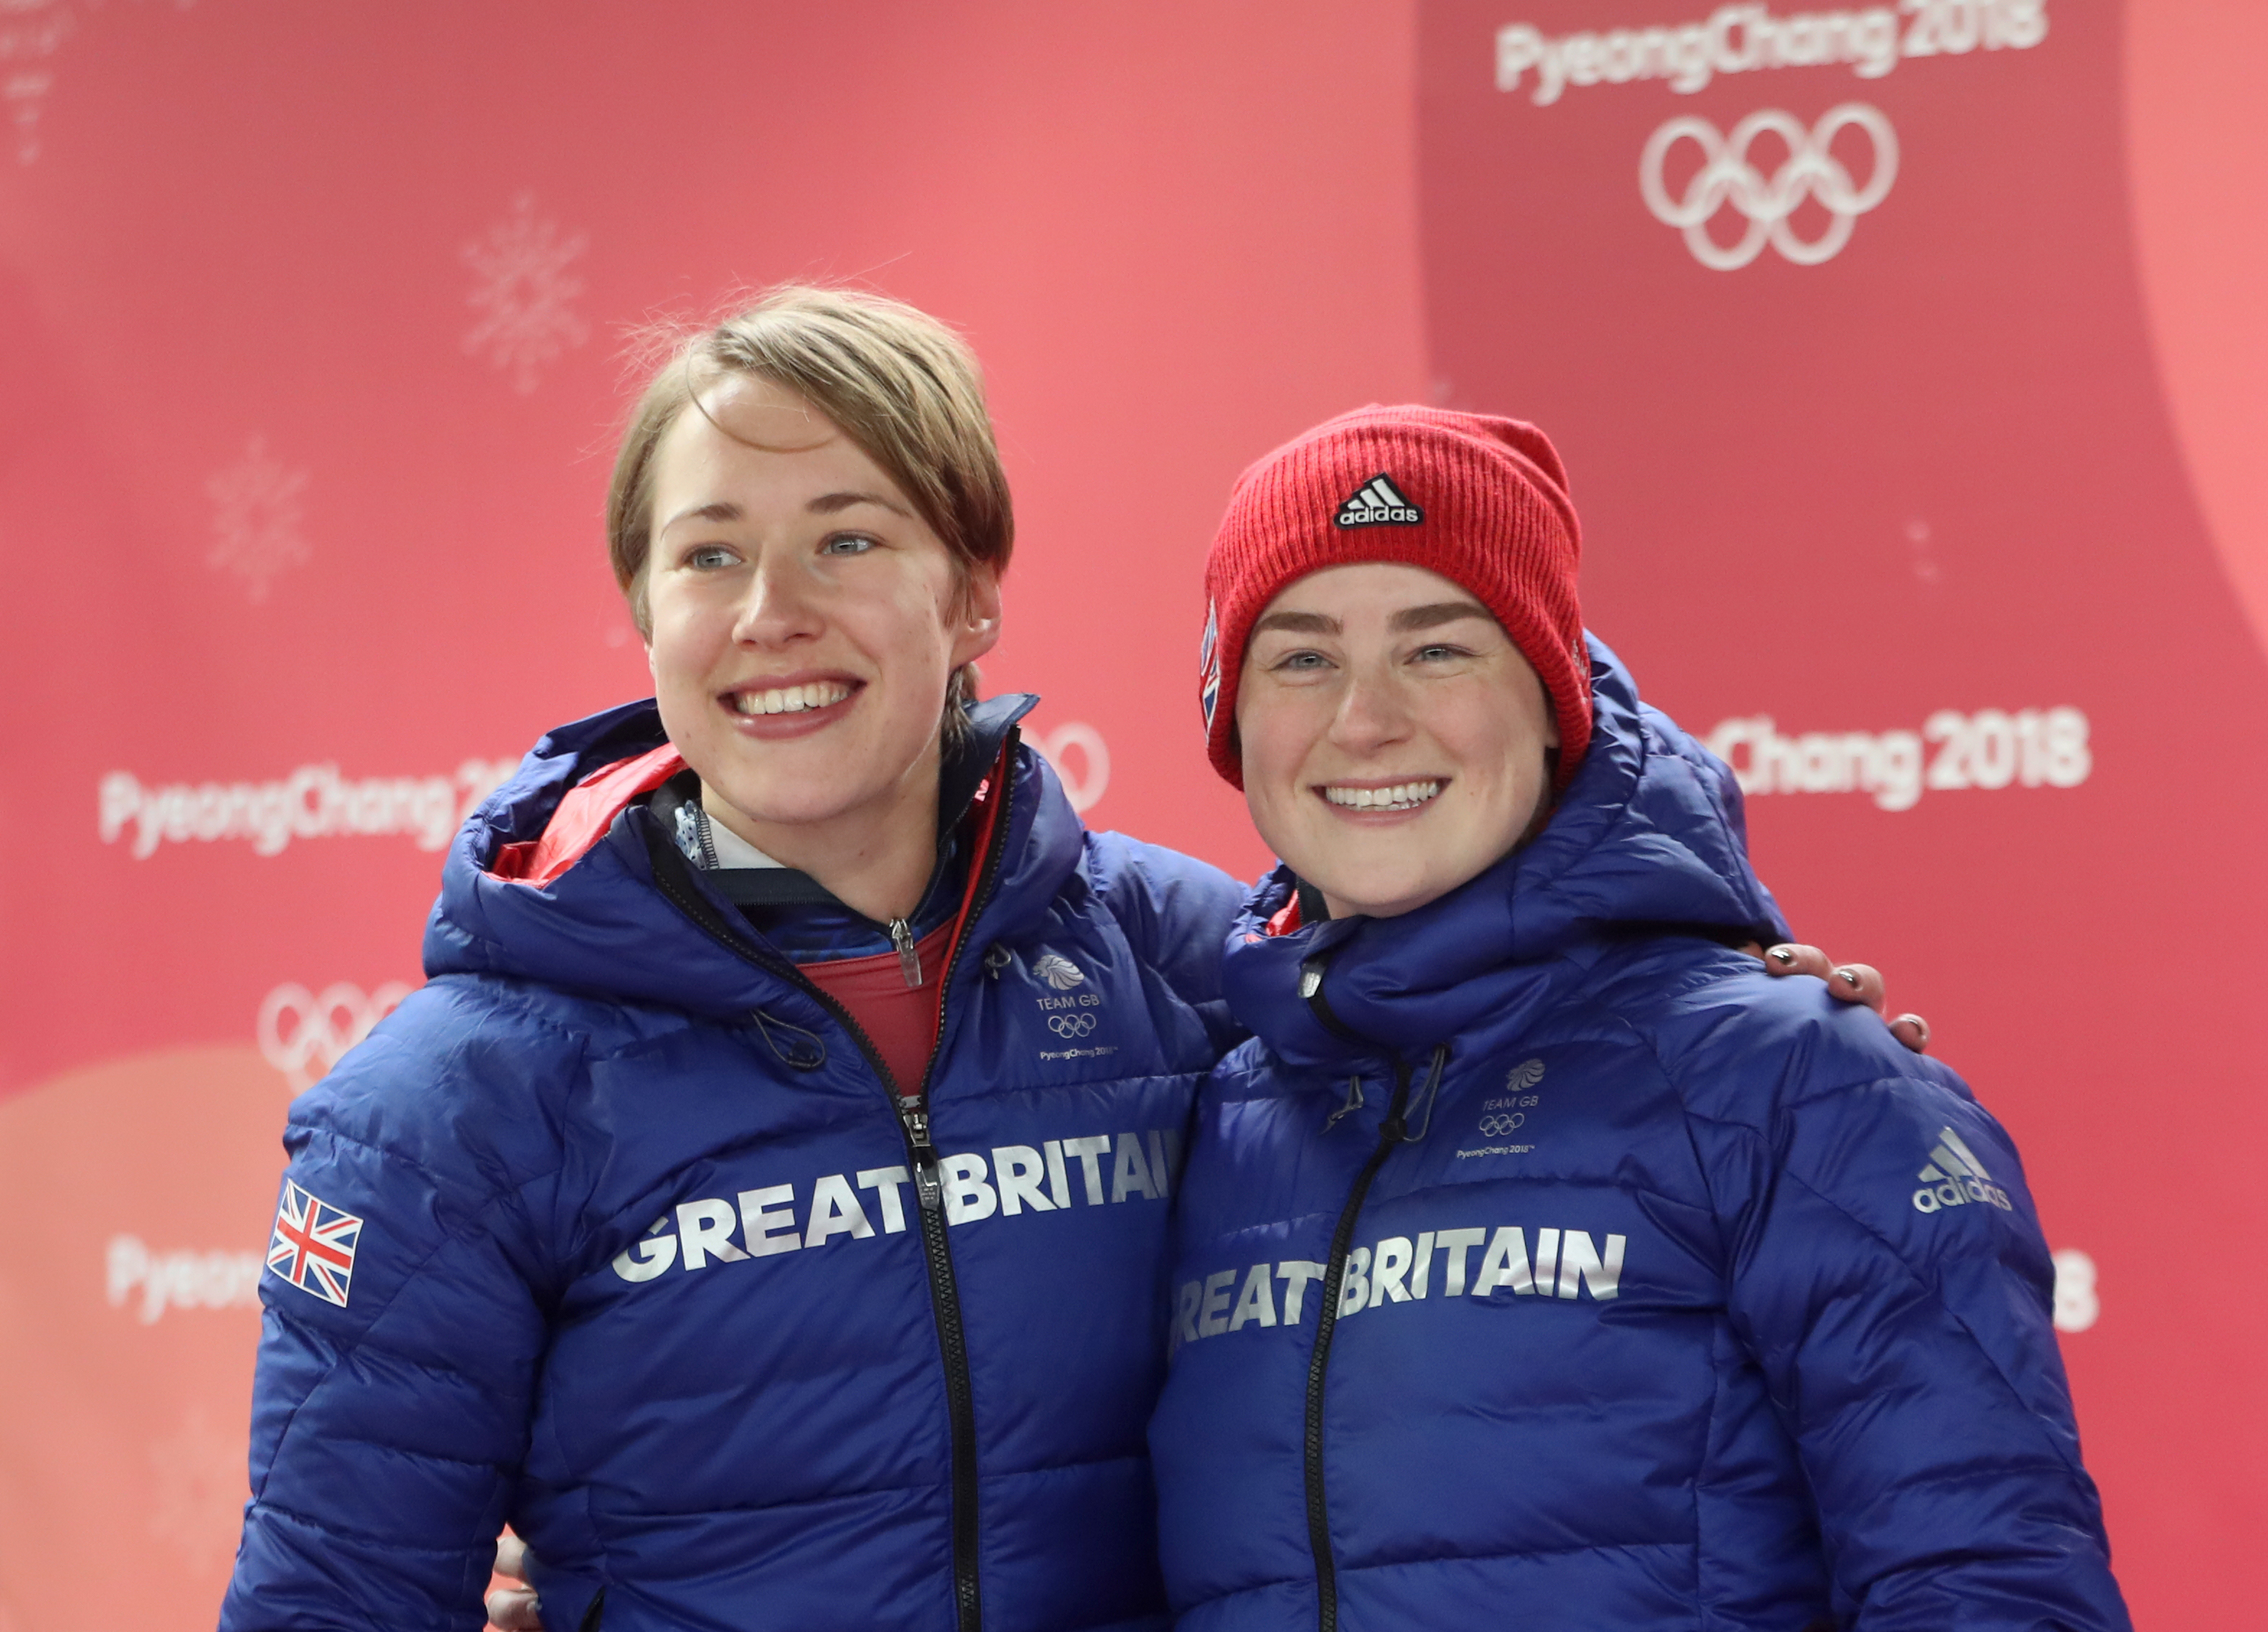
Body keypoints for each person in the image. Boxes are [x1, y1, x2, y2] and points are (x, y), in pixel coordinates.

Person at [222, 285, 1920, 1632]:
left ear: (973, 599)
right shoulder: (450, 1109)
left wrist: (1740, 1004)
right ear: (645, 616)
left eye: (850, 537)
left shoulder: (1192, 963)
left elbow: (1503, 1025)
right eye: (710, 553)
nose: (773, 611)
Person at [1148, 406, 2128, 1630]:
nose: (1363, 719)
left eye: (1438, 648)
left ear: (1556, 700)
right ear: (1230, 722)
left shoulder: (1792, 1078)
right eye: (1299, 658)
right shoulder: (1209, 1111)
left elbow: (1987, 1581)